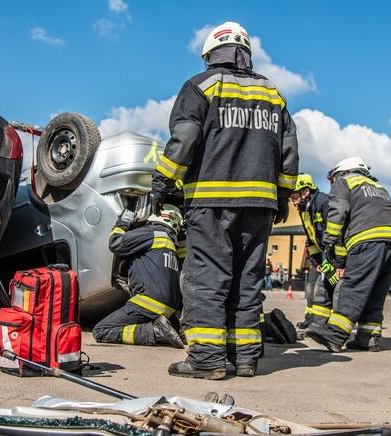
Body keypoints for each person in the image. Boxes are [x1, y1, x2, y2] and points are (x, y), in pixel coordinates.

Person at [149, 21, 299, 379]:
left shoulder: (201, 86)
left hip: (212, 200)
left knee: (207, 278)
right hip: (260, 204)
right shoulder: (273, 93)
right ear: (245, 53)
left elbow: (184, 138)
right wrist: (281, 195)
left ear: (210, 54)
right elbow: (289, 151)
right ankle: (245, 357)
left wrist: (163, 181)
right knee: (247, 280)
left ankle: (206, 360)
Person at [305, 157, 391, 353]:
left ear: (342, 172)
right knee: (375, 291)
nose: (332, 182)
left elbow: (338, 210)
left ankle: (335, 336)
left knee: (353, 287)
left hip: (367, 238)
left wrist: (329, 238)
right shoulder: (378, 187)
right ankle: (368, 338)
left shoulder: (345, 181)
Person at [92, 205, 185, 348]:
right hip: (171, 308)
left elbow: (115, 242)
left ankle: (155, 332)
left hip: (148, 303)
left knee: (101, 330)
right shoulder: (172, 244)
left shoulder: (151, 233)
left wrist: (123, 222)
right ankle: (166, 328)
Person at [290, 173, 344, 329]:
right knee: (311, 286)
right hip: (322, 256)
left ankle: (330, 323)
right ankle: (311, 319)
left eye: (294, 193)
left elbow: (336, 234)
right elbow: (311, 238)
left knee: (329, 288)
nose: (292, 198)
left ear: (305, 191)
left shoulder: (323, 202)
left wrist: (337, 262)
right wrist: (317, 262)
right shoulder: (304, 210)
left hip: (336, 254)